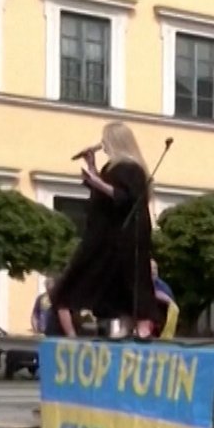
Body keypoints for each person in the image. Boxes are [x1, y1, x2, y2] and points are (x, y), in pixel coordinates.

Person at [48, 122, 155, 338]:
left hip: (127, 234)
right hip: (110, 233)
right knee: (115, 279)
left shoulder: (131, 168)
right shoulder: (113, 168)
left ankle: (142, 324)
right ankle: (126, 324)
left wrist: (96, 181)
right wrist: (92, 167)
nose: (103, 144)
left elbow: (125, 197)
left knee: (133, 279)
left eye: (106, 139)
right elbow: (105, 194)